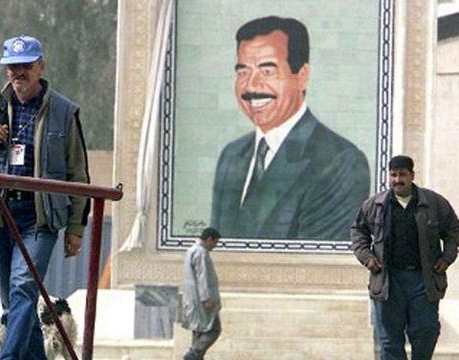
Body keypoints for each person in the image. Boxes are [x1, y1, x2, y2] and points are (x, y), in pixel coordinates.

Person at [0, 35, 90, 359]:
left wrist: (75, 228)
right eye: (13, 67)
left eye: (26, 66)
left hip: (40, 216)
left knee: (23, 288)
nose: (19, 73)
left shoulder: (64, 112)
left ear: (41, 66)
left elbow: (79, 173)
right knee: (14, 299)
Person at [210, 16, 370, 241]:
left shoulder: (340, 162)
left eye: (267, 71)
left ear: (302, 77)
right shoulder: (232, 156)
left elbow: (317, 266)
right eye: (242, 72)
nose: (251, 86)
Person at [351, 155, 459, 359]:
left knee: (426, 331)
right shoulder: (375, 205)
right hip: (388, 280)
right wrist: (367, 257)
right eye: (393, 175)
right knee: (390, 340)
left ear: (412, 175)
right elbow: (358, 231)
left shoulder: (434, 203)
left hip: (423, 280)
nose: (397, 180)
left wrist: (447, 257)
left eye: (402, 175)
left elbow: (453, 229)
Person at [181, 227, 222, 360]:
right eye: (215, 243)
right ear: (209, 239)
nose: (215, 246)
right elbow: (202, 277)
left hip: (192, 299)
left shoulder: (191, 251)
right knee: (214, 329)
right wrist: (206, 298)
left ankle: (196, 356)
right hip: (201, 301)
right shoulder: (201, 253)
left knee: (199, 331)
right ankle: (193, 354)